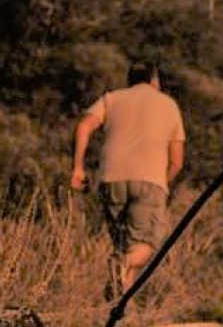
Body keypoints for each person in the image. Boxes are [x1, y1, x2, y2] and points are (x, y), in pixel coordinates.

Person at [70, 59, 186, 299]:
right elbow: (177, 162)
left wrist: (78, 168)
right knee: (143, 247)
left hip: (111, 178)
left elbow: (84, 126)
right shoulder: (169, 105)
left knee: (123, 245)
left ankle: (120, 312)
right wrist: (163, 183)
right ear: (155, 80)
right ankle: (121, 266)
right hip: (150, 180)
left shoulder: (112, 98)